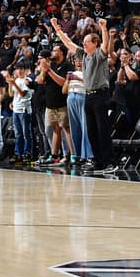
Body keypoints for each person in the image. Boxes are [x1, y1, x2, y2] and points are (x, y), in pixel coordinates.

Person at [51, 17, 118, 174]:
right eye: (84, 42)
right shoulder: (83, 55)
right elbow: (68, 43)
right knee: (91, 131)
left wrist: (103, 29)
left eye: (87, 42)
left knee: (103, 130)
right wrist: (56, 27)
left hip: (101, 95)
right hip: (88, 96)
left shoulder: (99, 56)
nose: (84, 43)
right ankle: (98, 161)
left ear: (95, 44)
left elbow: (105, 46)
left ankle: (110, 162)